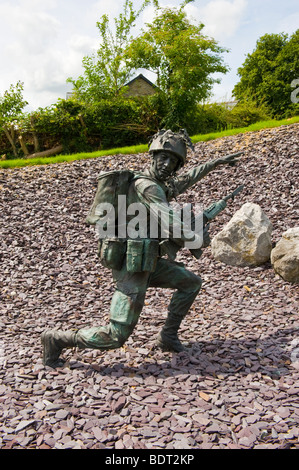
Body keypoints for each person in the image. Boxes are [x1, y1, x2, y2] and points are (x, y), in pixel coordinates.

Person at [42, 129, 240, 368]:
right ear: (153, 156)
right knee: (116, 336)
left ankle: (167, 336)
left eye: (174, 162)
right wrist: (197, 238)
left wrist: (214, 163)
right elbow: (169, 221)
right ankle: (56, 339)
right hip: (132, 266)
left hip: (149, 261)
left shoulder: (158, 183)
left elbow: (185, 181)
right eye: (163, 158)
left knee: (190, 283)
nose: (167, 165)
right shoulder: (148, 187)